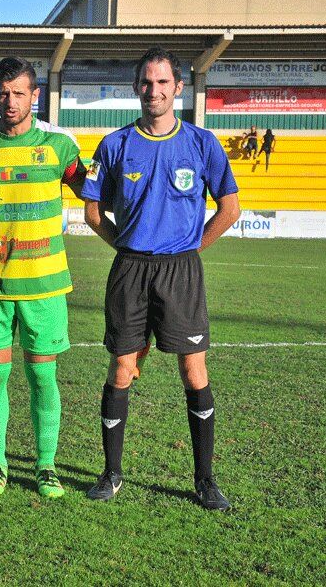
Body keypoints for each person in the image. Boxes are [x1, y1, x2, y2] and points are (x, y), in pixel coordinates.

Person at [81, 46, 240, 510]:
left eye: (163, 83)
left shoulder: (201, 143)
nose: (154, 91)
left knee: (193, 371)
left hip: (181, 271)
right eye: (147, 83)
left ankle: (205, 480)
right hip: (130, 269)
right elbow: (93, 211)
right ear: (136, 87)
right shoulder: (114, 145)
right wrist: (127, 246)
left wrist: (191, 248)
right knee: (122, 369)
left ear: (178, 88)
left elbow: (229, 209)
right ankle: (111, 475)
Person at [0, 57, 87, 498]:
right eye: (3, 92)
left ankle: (46, 465)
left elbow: (89, 187)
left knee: (42, 377)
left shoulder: (59, 145)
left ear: (35, 96)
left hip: (46, 283)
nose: (10, 101)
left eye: (19, 93)